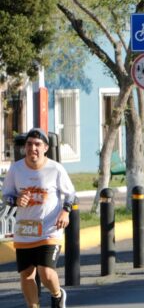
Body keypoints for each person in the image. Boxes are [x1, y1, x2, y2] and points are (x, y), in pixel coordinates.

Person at [2, 128, 75, 308]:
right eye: (29, 144)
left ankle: (57, 295)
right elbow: (7, 196)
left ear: (45, 148)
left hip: (50, 228)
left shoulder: (55, 169)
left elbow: (71, 194)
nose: (32, 148)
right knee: (26, 275)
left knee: (46, 272)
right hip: (25, 230)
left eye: (37, 144)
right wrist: (16, 200)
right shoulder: (16, 169)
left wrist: (65, 211)